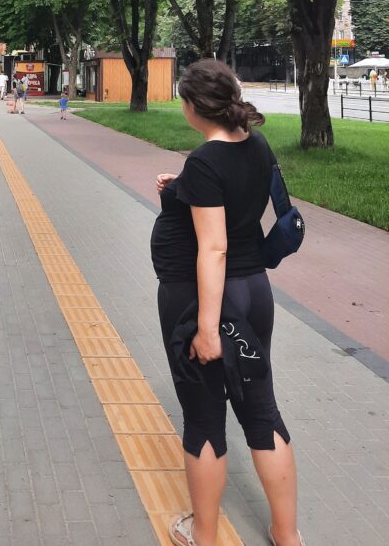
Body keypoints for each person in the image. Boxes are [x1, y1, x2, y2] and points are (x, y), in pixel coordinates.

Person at [152, 59, 301, 546]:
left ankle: (206, 535)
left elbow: (213, 248)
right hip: (255, 293)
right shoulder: (255, 145)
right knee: (262, 411)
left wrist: (207, 328)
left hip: (213, 305)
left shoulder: (206, 161)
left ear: (194, 106)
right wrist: (181, 188)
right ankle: (286, 534)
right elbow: (234, 199)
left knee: (204, 415)